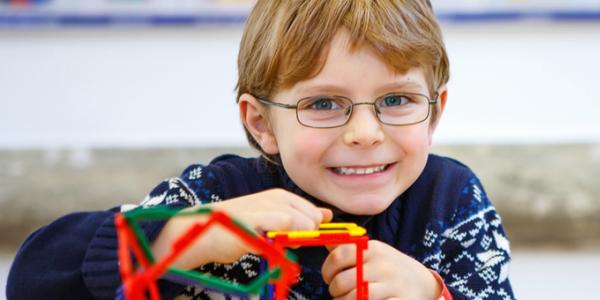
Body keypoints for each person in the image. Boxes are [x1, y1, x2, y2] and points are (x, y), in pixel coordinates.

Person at [7, 1, 515, 299]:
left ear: (435, 111)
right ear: (261, 123)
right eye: (322, 103)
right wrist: (186, 237)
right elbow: (35, 278)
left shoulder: (450, 200)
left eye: (397, 100)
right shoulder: (217, 198)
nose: (365, 132)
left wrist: (432, 293)